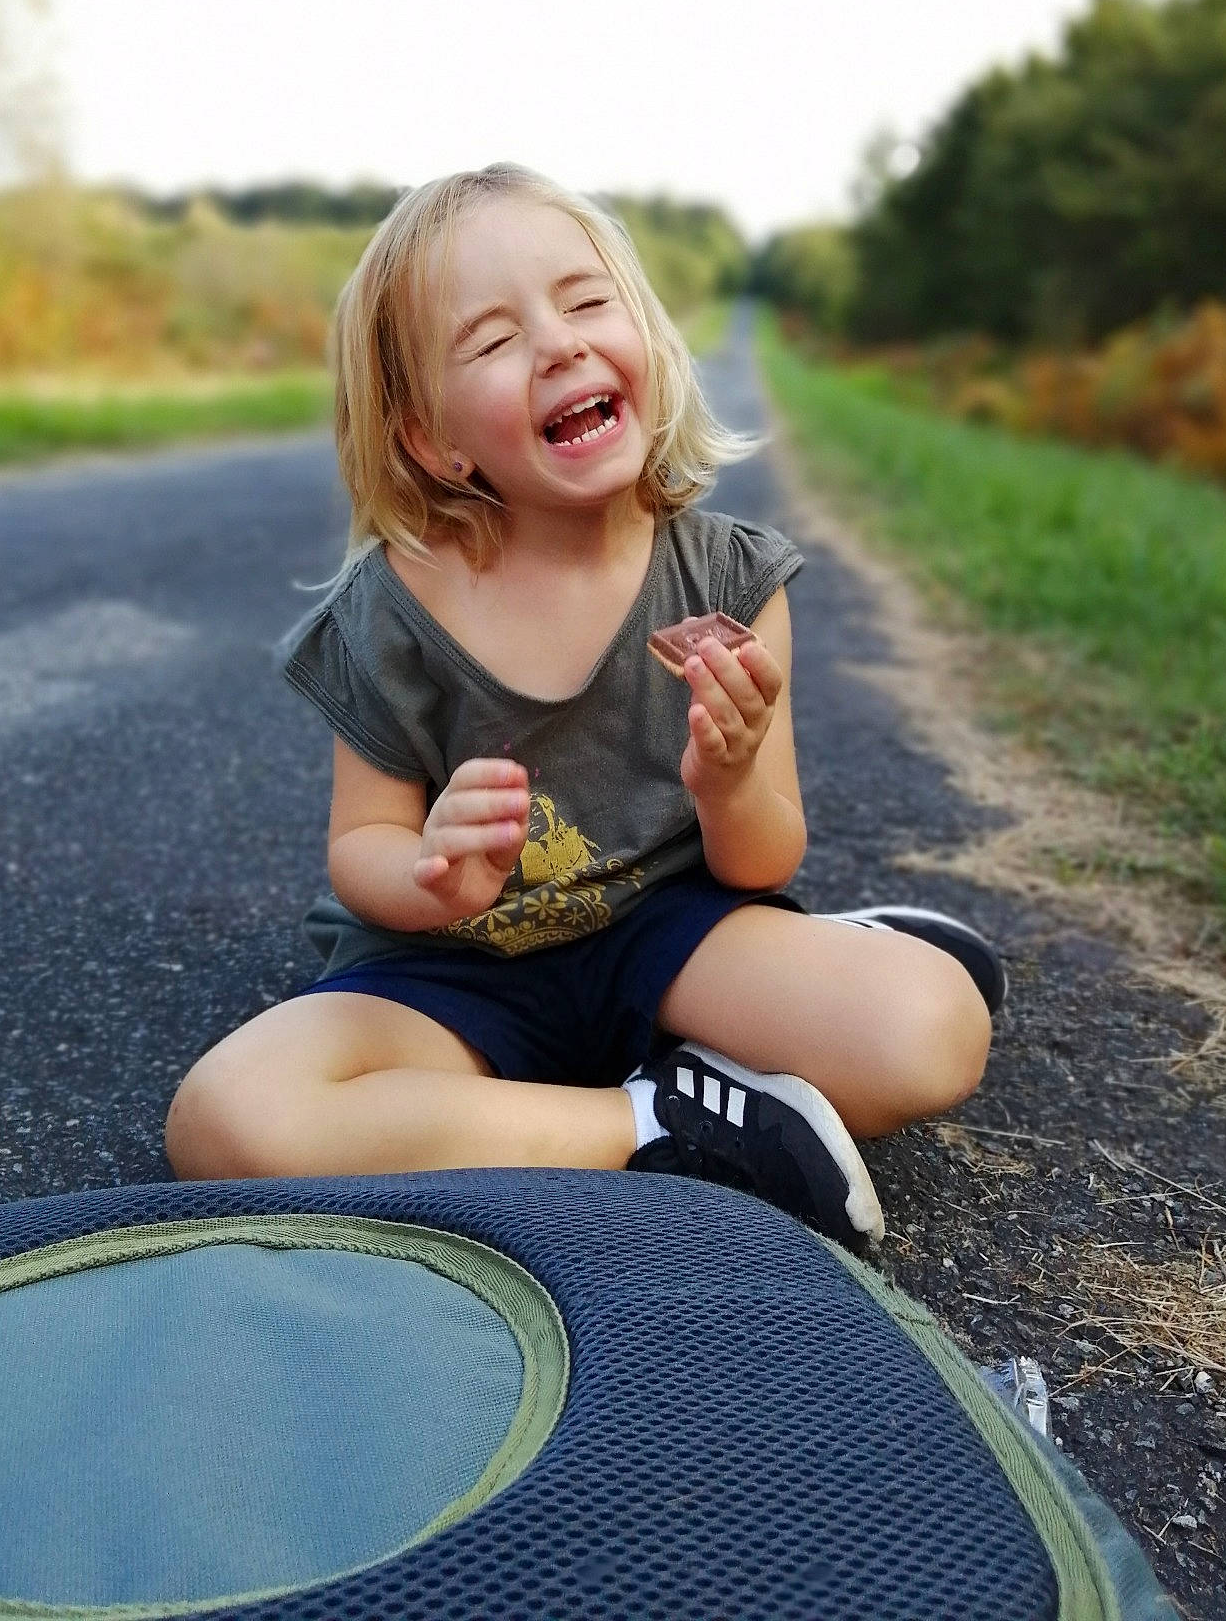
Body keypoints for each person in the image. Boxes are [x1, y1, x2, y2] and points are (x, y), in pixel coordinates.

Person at [164, 164, 1001, 1249]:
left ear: (645, 339)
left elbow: (761, 860)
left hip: (667, 932)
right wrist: (430, 873)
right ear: (432, 438)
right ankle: (666, 1119)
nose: (558, 342)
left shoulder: (730, 582)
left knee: (930, 1031)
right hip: (450, 971)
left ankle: (818, 975)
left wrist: (730, 778)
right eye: (492, 339)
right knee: (227, 1118)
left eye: (585, 300)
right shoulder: (391, 609)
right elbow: (358, 843)